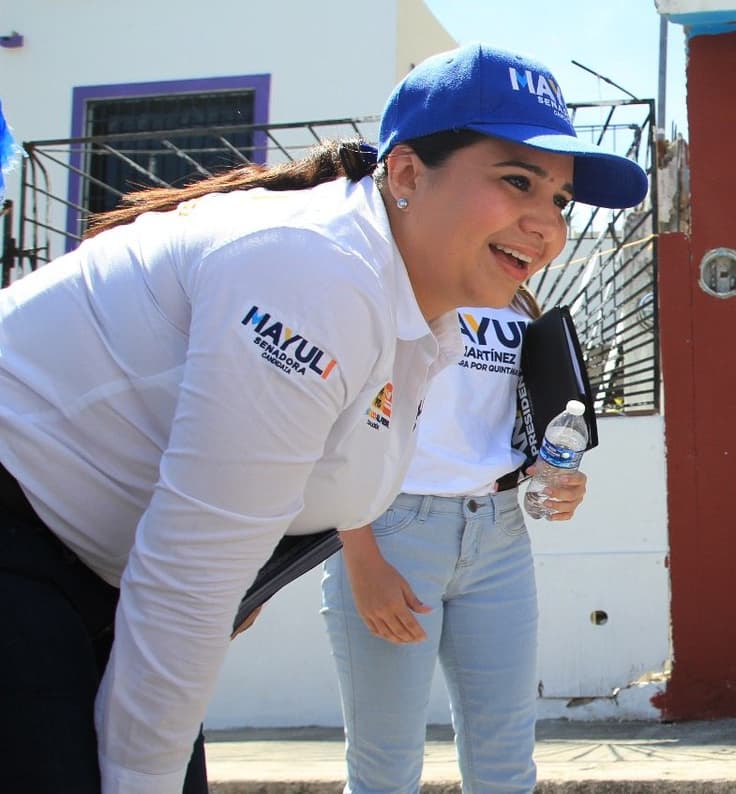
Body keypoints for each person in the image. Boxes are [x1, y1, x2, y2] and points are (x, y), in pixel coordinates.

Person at [0, 40, 646, 794]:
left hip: (87, 570)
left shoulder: (416, 318)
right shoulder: (318, 270)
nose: (547, 227)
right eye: (516, 181)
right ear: (405, 173)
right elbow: (188, 575)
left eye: (560, 201)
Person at [320, 284, 590, 793]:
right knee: (386, 768)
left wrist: (562, 479)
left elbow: (518, 426)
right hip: (391, 530)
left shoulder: (518, 301)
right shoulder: (396, 278)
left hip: (498, 530)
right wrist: (359, 554)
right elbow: (337, 425)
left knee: (506, 765)